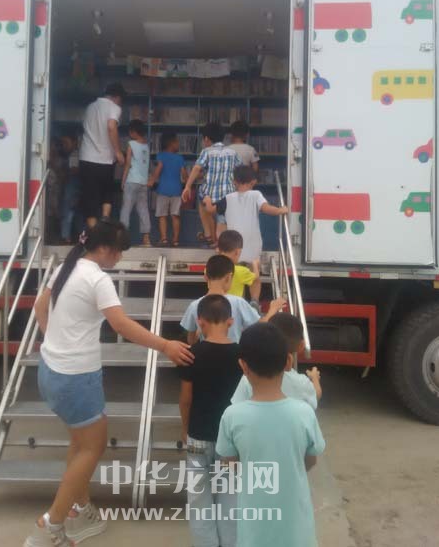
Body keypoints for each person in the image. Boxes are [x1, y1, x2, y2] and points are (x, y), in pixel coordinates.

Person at [24, 220, 193, 547]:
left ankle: (78, 508)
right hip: (76, 377)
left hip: (51, 370)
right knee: (92, 446)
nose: (119, 257)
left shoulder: (66, 268)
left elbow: (40, 306)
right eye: (118, 252)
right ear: (103, 248)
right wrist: (166, 345)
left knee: (80, 442)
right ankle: (50, 526)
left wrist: (55, 340)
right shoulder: (97, 279)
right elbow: (122, 325)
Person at [216, 323, 326, 547]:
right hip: (297, 531)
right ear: (288, 361)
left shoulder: (232, 416)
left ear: (243, 366)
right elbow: (311, 459)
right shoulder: (304, 413)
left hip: (254, 531)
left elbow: (230, 462)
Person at [178, 294, 242, 547]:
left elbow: (185, 399)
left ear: (200, 322)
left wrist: (185, 429)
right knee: (230, 495)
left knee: (198, 498)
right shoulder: (242, 356)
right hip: (232, 440)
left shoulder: (191, 354)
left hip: (198, 436)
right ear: (230, 321)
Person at [180, 255, 285, 345]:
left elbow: (191, 341)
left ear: (205, 277)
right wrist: (273, 309)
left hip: (207, 357)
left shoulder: (194, 305)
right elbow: (260, 325)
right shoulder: (238, 302)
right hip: (233, 357)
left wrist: (199, 332)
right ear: (228, 277)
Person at [231, 312, 322, 410]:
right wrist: (315, 378)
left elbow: (236, 406)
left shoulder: (248, 379)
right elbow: (315, 395)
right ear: (301, 346)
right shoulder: (302, 382)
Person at [203, 164, 288, 263]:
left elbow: (210, 209)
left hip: (233, 247)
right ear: (253, 182)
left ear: (234, 182)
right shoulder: (256, 195)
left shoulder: (227, 198)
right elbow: (266, 208)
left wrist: (207, 199)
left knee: (235, 269)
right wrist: (280, 210)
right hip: (253, 246)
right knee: (253, 270)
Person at [182, 122, 240, 247]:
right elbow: (240, 170)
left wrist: (187, 186)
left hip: (209, 195)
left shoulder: (206, 152)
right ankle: (219, 242)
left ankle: (208, 235)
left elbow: (197, 168)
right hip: (228, 196)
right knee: (222, 220)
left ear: (206, 139)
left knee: (202, 198)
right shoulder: (232, 152)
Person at [79, 82, 127, 228]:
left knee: (90, 197)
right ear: (117, 97)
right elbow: (111, 126)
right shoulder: (114, 107)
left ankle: (93, 231)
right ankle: (105, 219)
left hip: (86, 158)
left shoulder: (90, 107)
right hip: (105, 159)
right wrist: (118, 152)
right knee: (107, 191)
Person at [148, 131, 187, 247]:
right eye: (177, 142)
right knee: (175, 215)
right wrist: (188, 182)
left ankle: (164, 239)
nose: (178, 144)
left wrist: (152, 180)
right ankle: (175, 240)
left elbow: (158, 169)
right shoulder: (179, 158)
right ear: (171, 143)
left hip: (163, 190)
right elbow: (184, 174)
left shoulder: (161, 156)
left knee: (162, 215)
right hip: (176, 191)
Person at [120, 119, 151, 247]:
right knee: (143, 209)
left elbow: (128, 164)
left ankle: (122, 238)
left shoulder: (131, 144)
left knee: (126, 208)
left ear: (133, 132)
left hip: (132, 180)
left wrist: (123, 180)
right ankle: (146, 239)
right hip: (143, 183)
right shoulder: (146, 146)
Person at [217, 229, 261, 307]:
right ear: (237, 252)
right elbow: (256, 277)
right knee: (256, 281)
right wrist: (255, 264)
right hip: (235, 307)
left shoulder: (210, 267)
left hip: (217, 305)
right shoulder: (241, 271)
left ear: (218, 250)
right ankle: (255, 303)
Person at [60, 133, 81, 244]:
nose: (64, 146)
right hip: (74, 186)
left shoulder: (74, 154)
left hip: (73, 185)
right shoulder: (75, 154)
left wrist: (65, 173)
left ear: (74, 142)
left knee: (68, 211)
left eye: (66, 143)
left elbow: (74, 169)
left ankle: (66, 237)